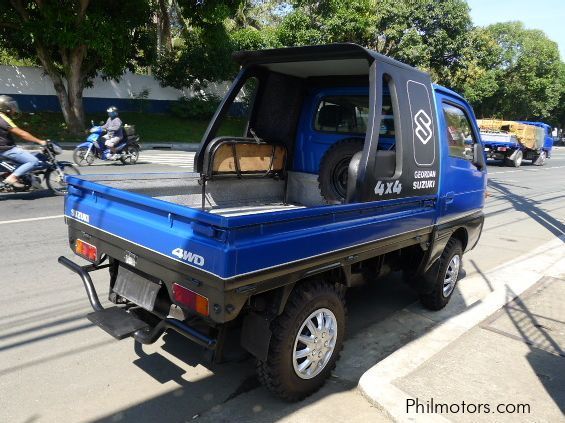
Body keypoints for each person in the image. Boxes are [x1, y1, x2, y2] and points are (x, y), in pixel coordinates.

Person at [0, 95, 47, 188]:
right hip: (6, 149)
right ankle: (12, 178)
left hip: (4, 148)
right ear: (6, 108)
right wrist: (40, 141)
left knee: (24, 156)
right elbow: (21, 133)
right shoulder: (3, 119)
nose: (14, 109)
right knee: (33, 161)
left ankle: (17, 176)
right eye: (11, 106)